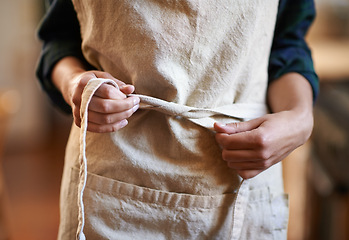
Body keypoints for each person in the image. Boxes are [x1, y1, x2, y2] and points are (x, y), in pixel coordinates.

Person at [36, 0, 318, 239]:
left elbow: (287, 42)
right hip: (111, 180)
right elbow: (60, 40)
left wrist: (300, 118)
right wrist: (73, 82)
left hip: (238, 178)